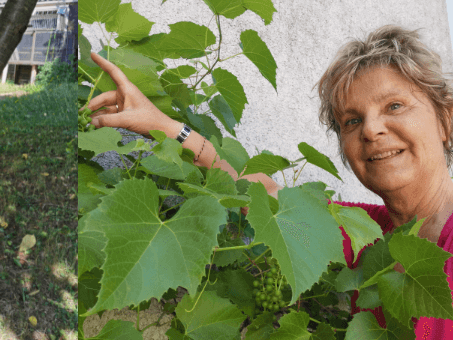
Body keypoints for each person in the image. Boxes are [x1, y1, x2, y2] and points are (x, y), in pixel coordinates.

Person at [85, 25, 453, 338]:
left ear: (446, 120)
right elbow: (266, 197)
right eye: (352, 121)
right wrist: (164, 127)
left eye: (395, 106)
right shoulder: (371, 234)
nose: (371, 129)